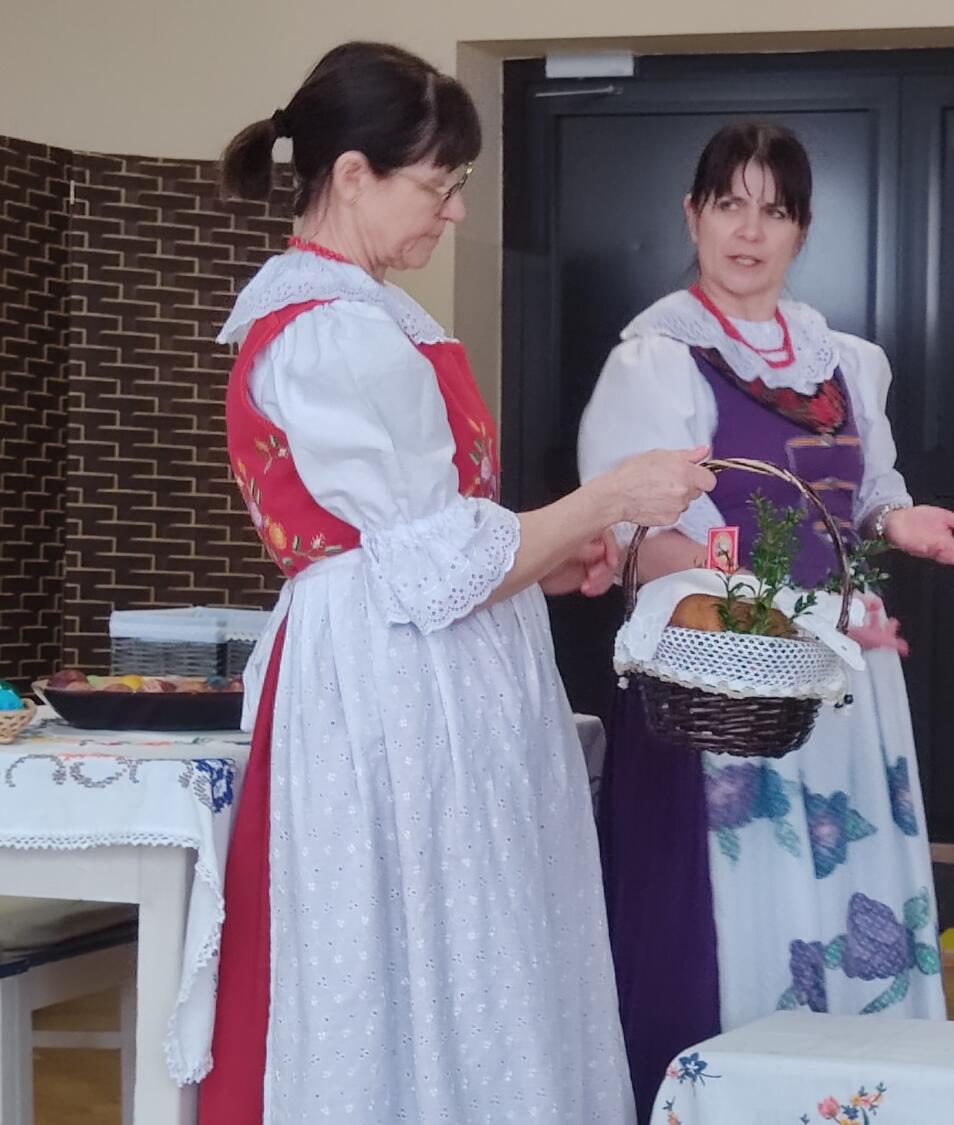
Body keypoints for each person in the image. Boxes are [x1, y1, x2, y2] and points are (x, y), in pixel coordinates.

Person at [201, 41, 714, 1124]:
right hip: (388, 684)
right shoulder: (333, 333)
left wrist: (544, 555)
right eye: (438, 186)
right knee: (428, 958)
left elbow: (434, 543)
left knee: (473, 954)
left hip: (418, 664)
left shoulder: (358, 314)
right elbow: (433, 564)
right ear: (354, 176)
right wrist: (608, 498)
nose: (455, 213)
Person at [577, 121, 954, 1120]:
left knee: (844, 900)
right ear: (693, 216)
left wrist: (898, 522)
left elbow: (869, 496)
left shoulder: (849, 363)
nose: (749, 232)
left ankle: (855, 1097)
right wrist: (769, 614)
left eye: (775, 210)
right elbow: (634, 534)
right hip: (719, 679)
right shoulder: (656, 360)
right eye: (729, 206)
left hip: (840, 681)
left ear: (802, 228)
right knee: (741, 911)